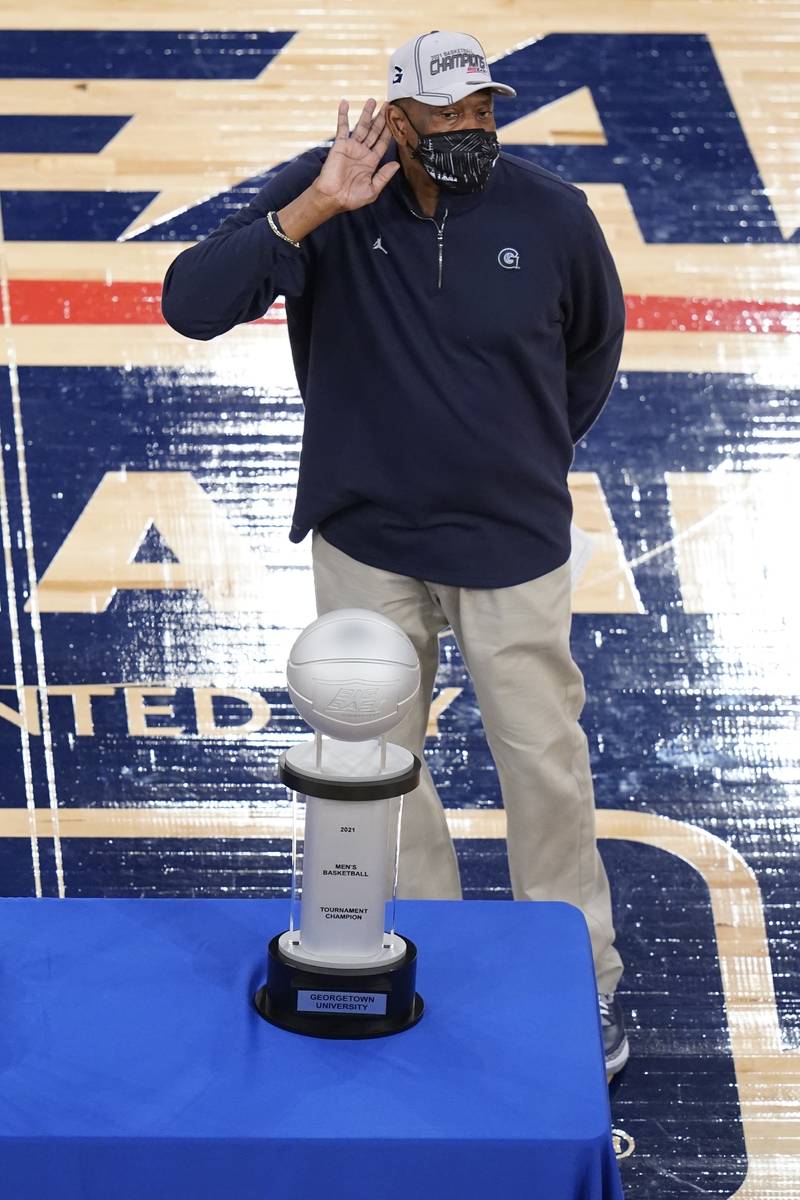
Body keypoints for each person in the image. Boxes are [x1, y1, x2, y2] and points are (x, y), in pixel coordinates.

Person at [161, 29, 629, 1076]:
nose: (469, 132)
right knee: (380, 771)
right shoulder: (329, 197)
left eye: (481, 113)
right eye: (445, 116)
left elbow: (588, 358)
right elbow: (190, 303)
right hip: (366, 538)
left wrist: (515, 458)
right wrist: (314, 206)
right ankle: (411, 949)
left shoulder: (550, 214)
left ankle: (577, 981)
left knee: (541, 762)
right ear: (395, 121)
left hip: (508, 545)